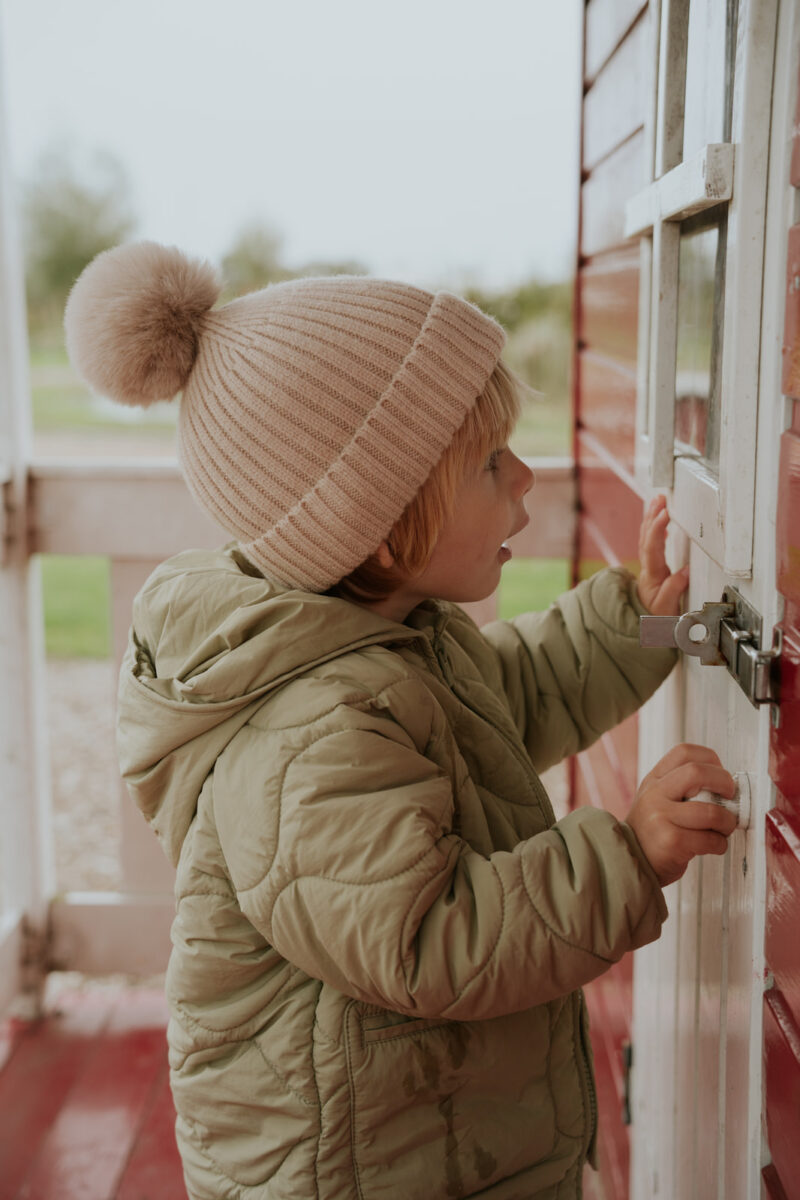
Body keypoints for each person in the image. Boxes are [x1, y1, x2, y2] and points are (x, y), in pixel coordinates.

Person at [65, 242, 737, 1200]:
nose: (525, 482)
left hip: (420, 1139)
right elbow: (431, 937)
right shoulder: (308, 732)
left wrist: (630, 619)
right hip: (355, 1170)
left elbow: (509, 698)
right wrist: (624, 857)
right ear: (379, 520)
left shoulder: (390, 641)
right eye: (490, 464)